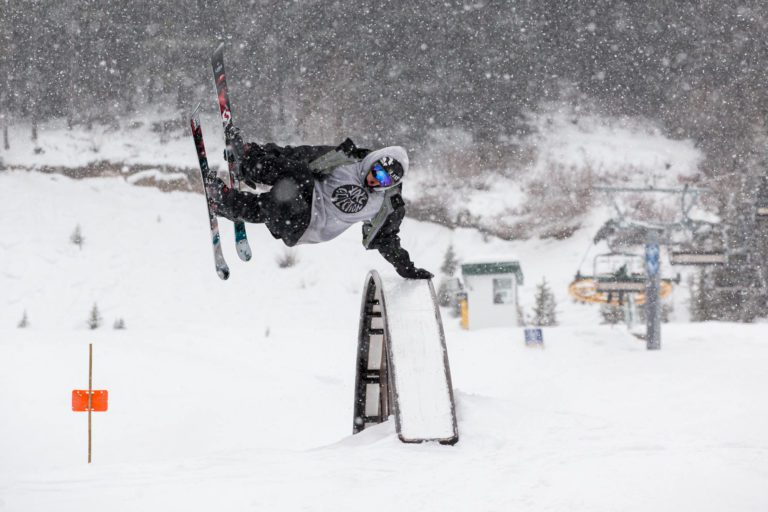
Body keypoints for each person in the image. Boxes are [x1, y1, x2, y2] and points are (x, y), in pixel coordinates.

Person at [209, 137, 433, 279]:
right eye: (377, 172)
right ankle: (247, 163)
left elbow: (387, 239)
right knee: (297, 173)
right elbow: (298, 154)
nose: (375, 181)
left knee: (284, 200)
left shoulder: (387, 204)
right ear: (373, 161)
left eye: (384, 181)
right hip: (301, 195)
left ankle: (225, 202)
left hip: (305, 227)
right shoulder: (347, 159)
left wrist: (405, 267)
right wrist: (258, 152)